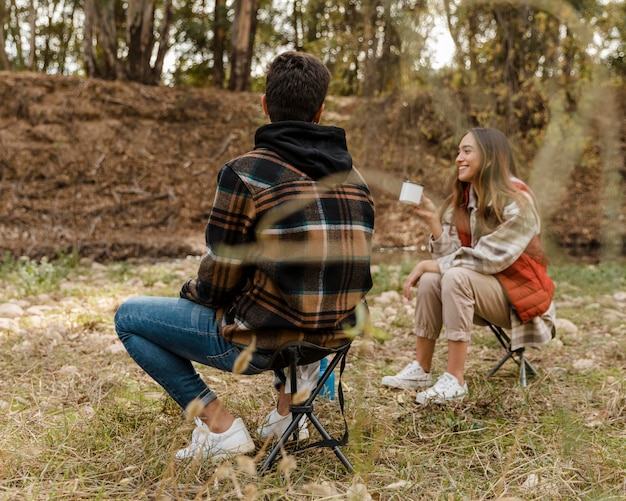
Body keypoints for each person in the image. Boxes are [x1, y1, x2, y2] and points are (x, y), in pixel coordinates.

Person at [114, 51, 375, 460]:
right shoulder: (355, 179)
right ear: (321, 111)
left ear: (265, 105)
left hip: (263, 342)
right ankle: (288, 413)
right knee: (299, 296)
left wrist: (191, 291)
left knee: (129, 317)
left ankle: (219, 427)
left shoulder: (246, 172)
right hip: (333, 338)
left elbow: (219, 279)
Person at [381, 127, 555, 404]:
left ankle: (455, 379)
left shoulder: (518, 201)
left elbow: (490, 257)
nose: (458, 158)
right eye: (458, 152)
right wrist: (434, 222)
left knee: (454, 276)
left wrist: (434, 265)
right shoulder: (462, 201)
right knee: (432, 280)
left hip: (519, 298)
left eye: (466, 151)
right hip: (478, 292)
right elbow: (451, 258)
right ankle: (421, 369)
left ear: (489, 157)